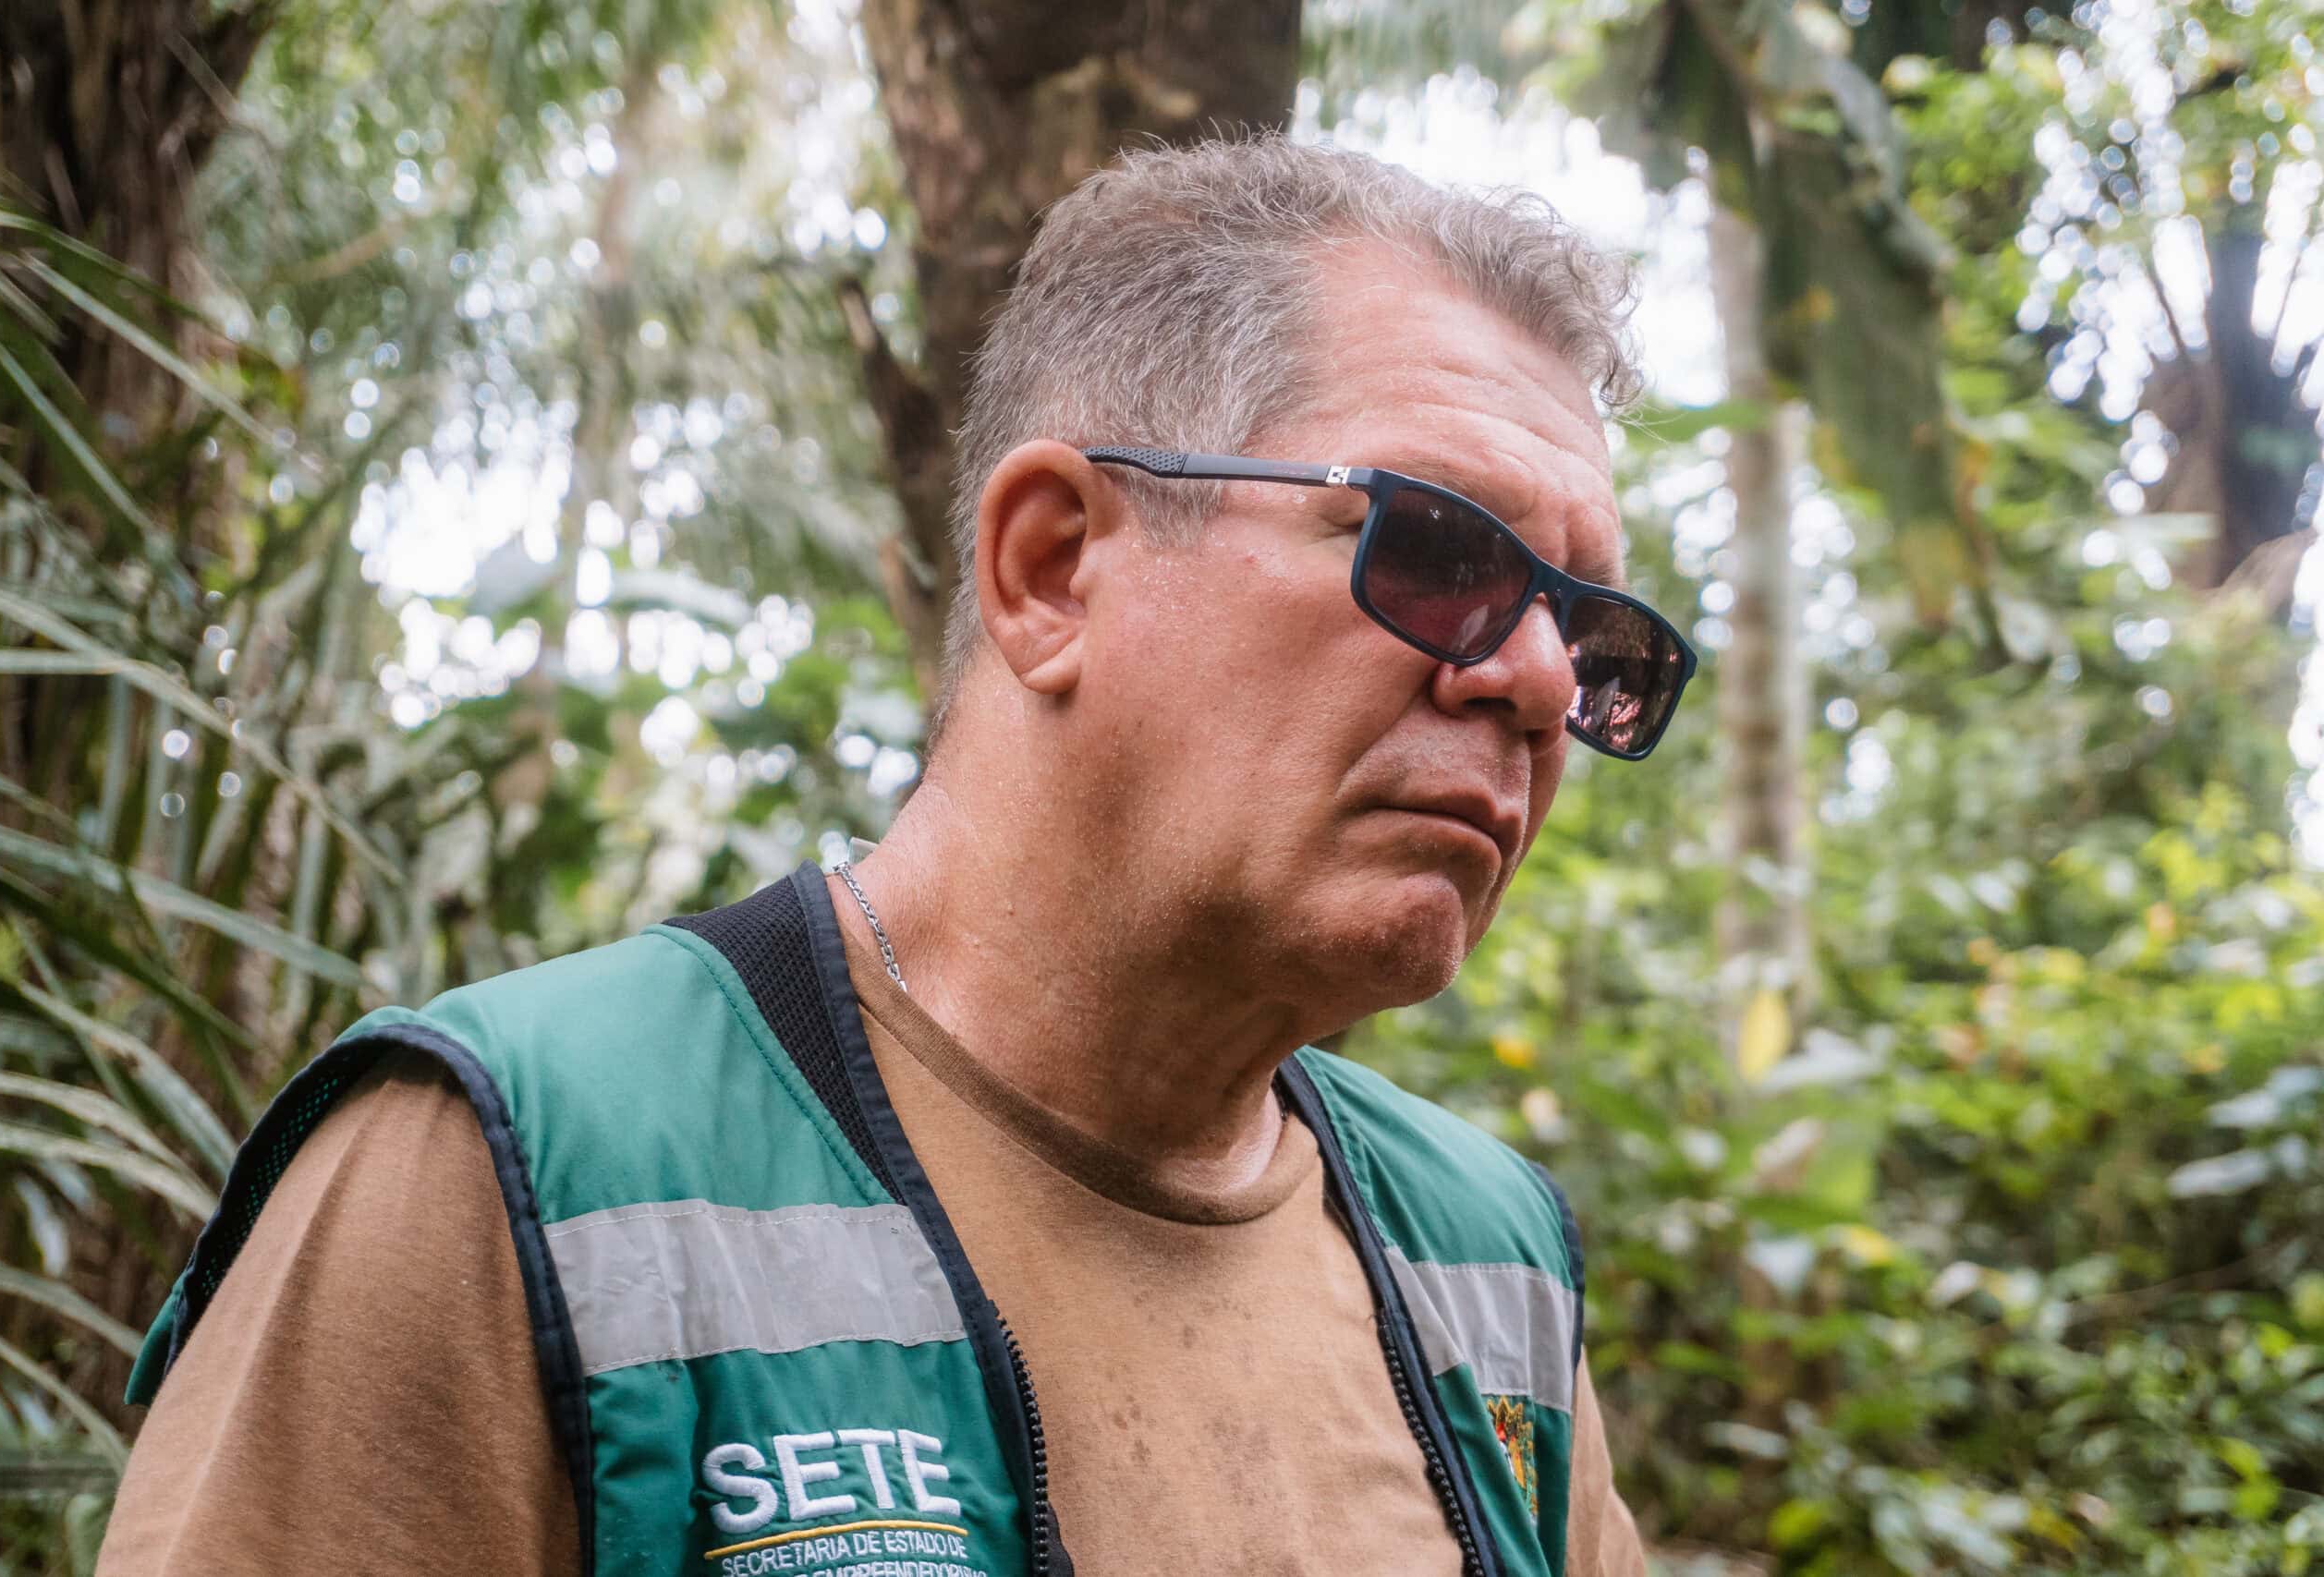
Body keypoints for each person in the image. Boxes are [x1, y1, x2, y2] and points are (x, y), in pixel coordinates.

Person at [103, 133, 1692, 1576]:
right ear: (1052, 569)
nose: (1538, 683)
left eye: (1596, 638)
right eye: (1438, 550)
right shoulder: (522, 1170)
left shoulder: (1484, 1262)